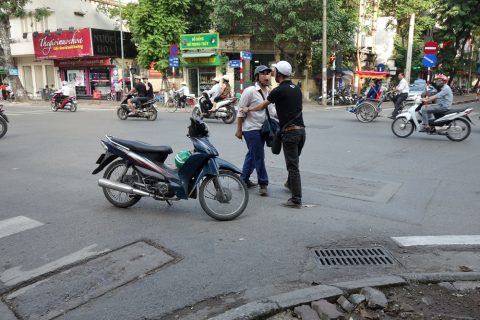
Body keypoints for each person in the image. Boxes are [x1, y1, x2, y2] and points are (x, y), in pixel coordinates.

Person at [241, 60, 305, 209]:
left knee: (292, 166)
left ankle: (296, 199)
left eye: (272, 72)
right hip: (301, 132)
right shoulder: (296, 89)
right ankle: (288, 183)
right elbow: (284, 110)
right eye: (264, 73)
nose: (270, 75)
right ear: (257, 76)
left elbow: (263, 106)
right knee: (255, 154)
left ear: (280, 74)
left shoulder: (277, 90)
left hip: (290, 133)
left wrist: (248, 109)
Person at [235, 65, 277, 196]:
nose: (266, 76)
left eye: (268, 74)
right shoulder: (249, 91)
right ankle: (263, 183)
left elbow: (272, 111)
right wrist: (239, 129)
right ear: (257, 76)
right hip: (251, 129)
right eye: (263, 74)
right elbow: (240, 110)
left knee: (252, 155)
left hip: (264, 128)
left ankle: (243, 179)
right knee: (259, 156)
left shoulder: (270, 92)